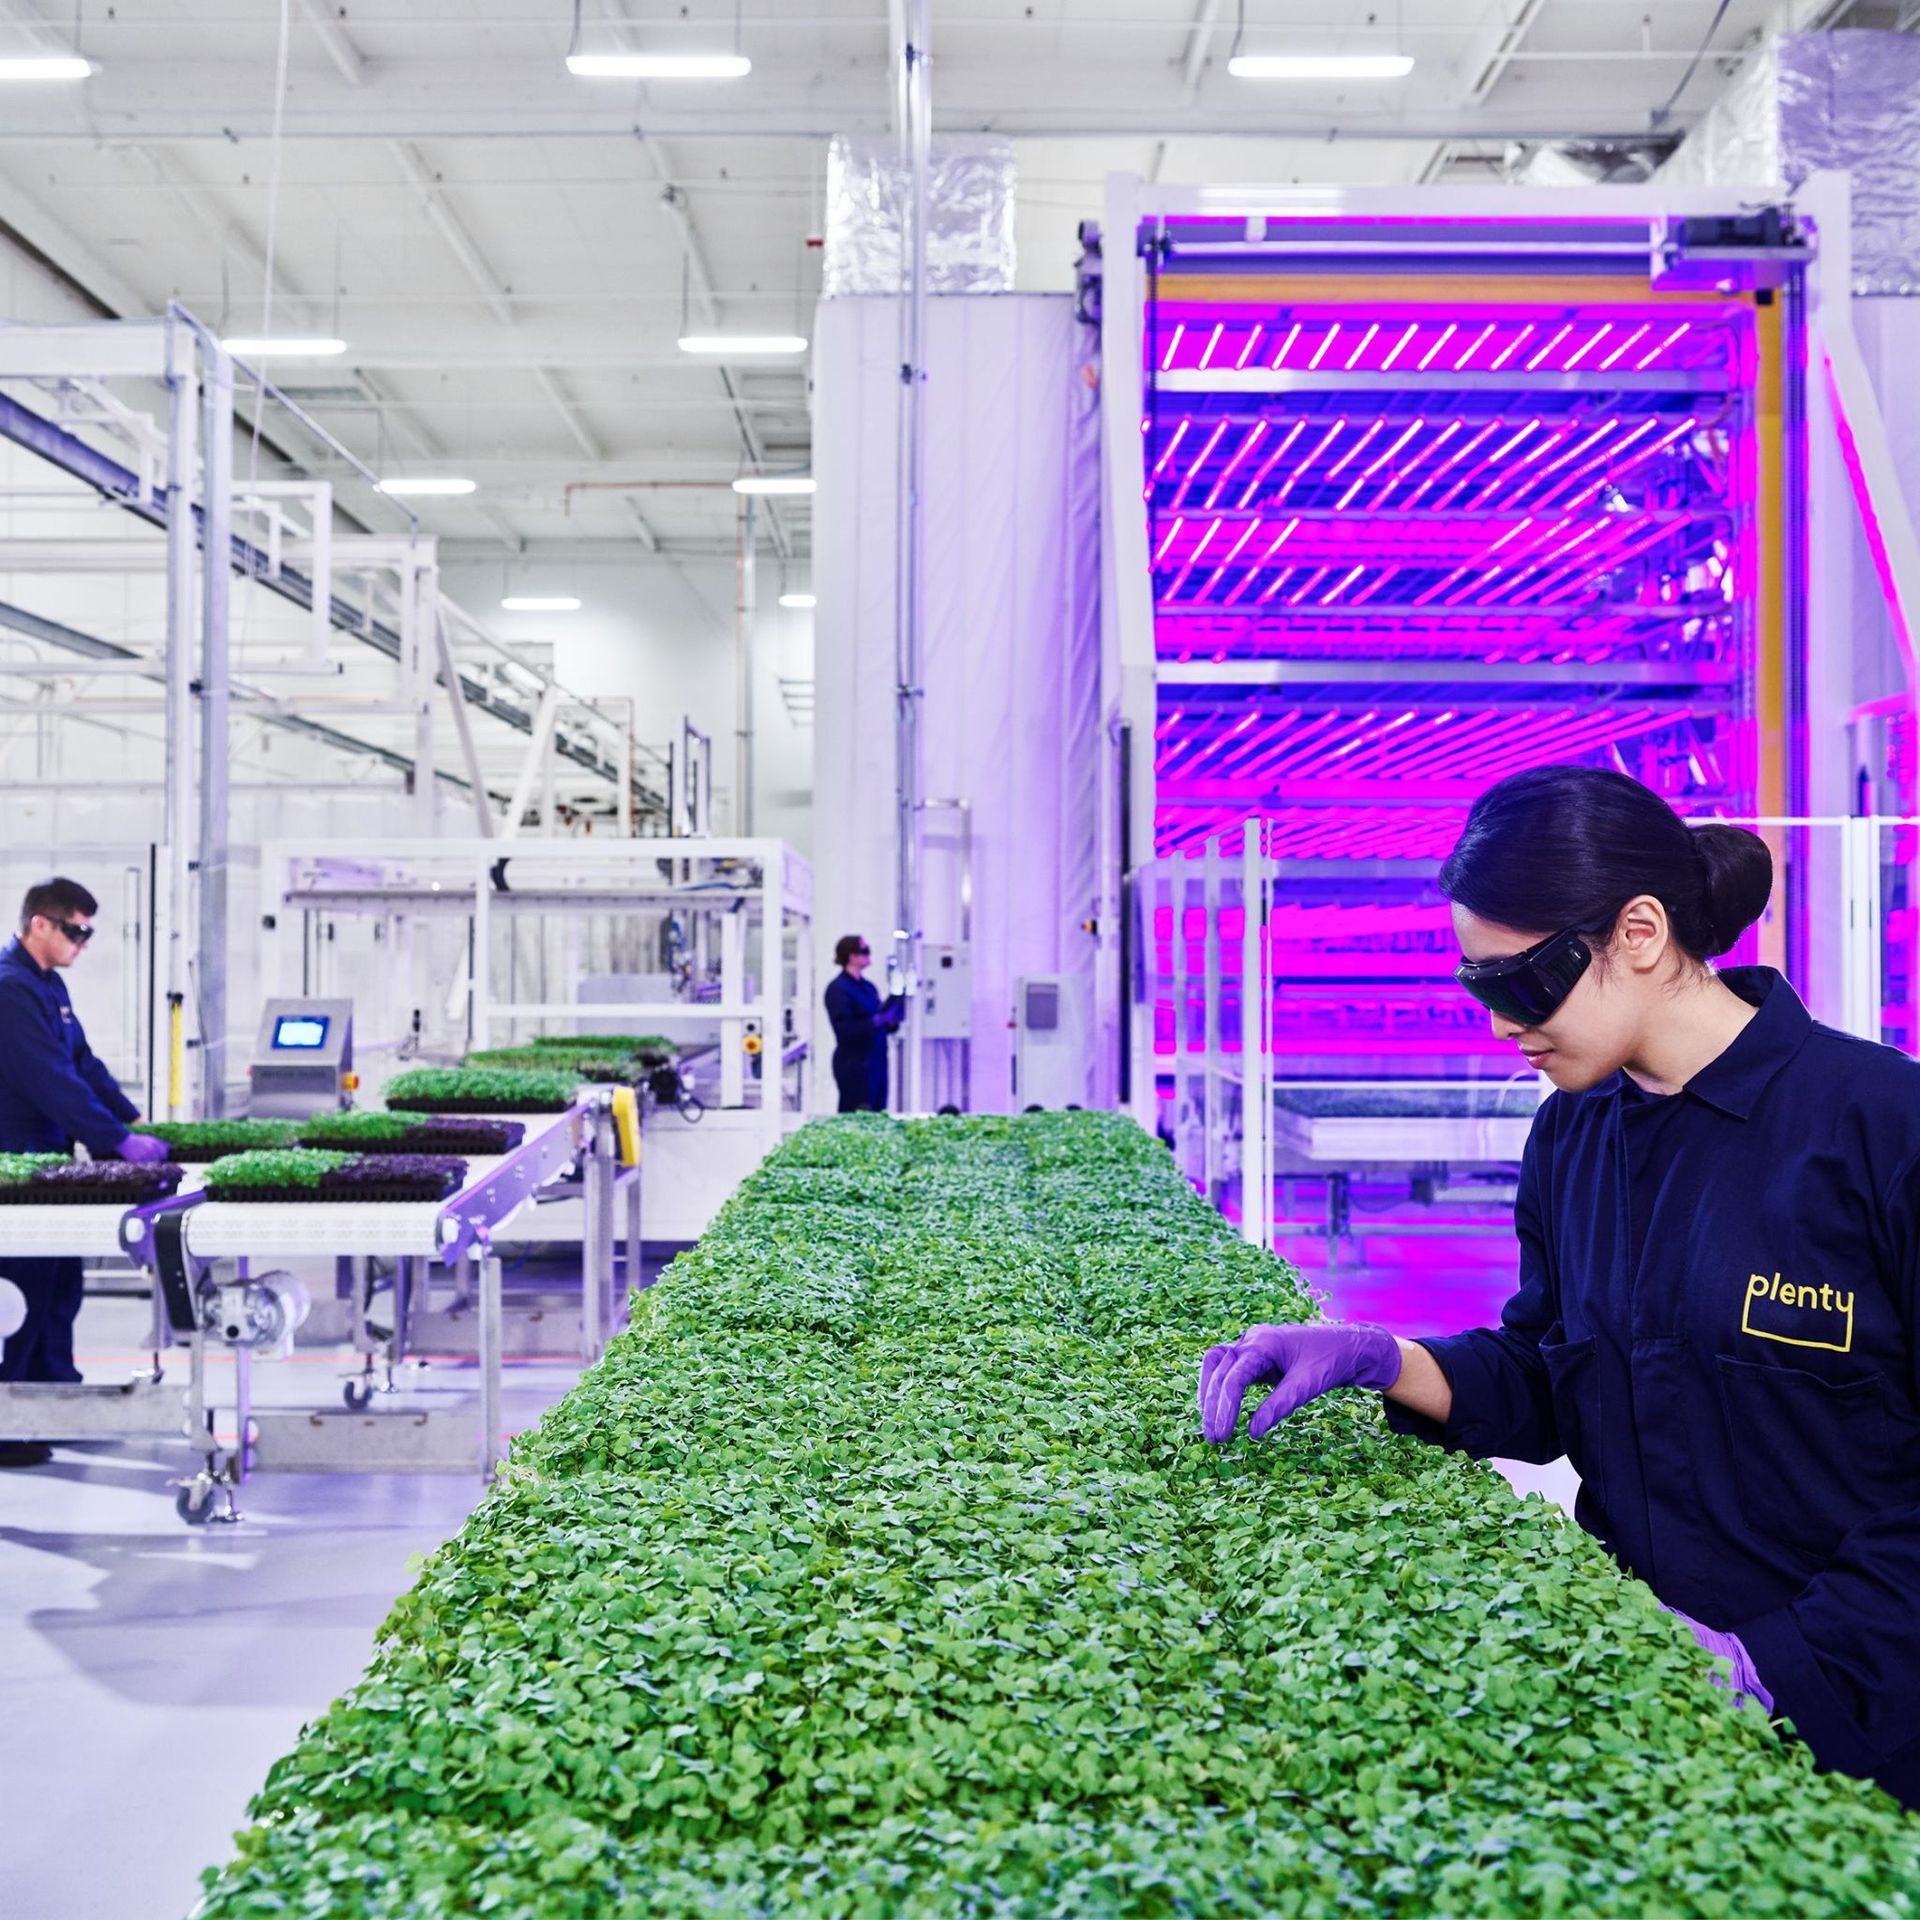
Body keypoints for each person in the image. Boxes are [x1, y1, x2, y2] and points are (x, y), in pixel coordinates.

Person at [1199, 765, 1920, 1810]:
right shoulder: (1576, 1134)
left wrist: (1769, 1667)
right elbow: (1551, 1375)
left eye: (1523, 982)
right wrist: (1375, 1357)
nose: (1501, 1025)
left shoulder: (1880, 1132)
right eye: (1479, 987)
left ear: (1638, 932)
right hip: (1630, 1713)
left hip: (1869, 1736)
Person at [0, 877, 168, 1466]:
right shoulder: (10, 988)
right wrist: (116, 1140)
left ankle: (54, 1399)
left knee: (57, 1284)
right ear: (38, 924)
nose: (82, 942)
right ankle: (8, 1420)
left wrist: (134, 1118)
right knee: (17, 1291)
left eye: (88, 933)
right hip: (12, 1168)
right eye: (74, 930)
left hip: (46, 1166)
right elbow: (49, 1079)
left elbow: (84, 1064)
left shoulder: (49, 986)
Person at [824, 933, 904, 1114]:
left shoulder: (868, 987)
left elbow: (880, 1018)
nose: (869, 955)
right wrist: (876, 1021)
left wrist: (891, 1019)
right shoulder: (838, 989)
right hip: (855, 1064)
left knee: (877, 1110)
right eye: (865, 951)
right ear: (852, 956)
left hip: (876, 1060)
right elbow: (844, 1029)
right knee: (857, 1111)